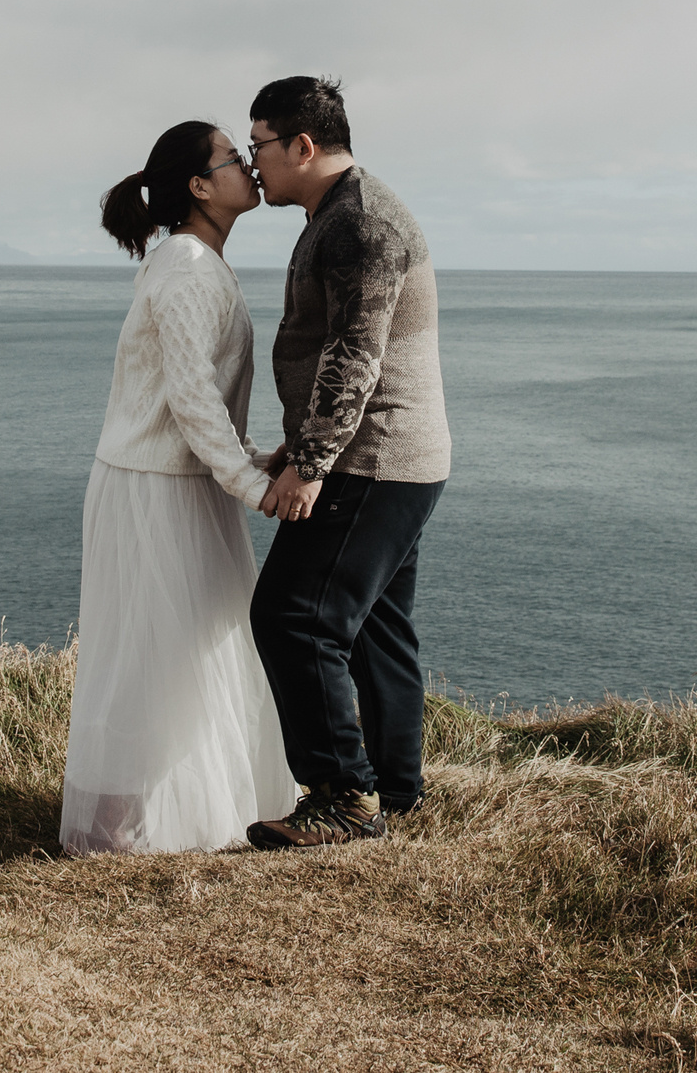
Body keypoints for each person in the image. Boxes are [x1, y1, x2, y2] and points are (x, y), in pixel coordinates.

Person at [59, 121, 295, 855]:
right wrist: (254, 486)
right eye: (234, 159)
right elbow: (190, 400)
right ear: (198, 186)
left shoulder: (191, 261)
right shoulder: (190, 266)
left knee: (186, 652)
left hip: (176, 480)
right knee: (151, 660)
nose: (250, 166)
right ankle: (115, 830)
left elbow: (192, 400)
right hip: (158, 489)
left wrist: (254, 457)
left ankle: (148, 819)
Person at [241, 76, 451, 849]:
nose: (252, 161)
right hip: (398, 457)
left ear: (302, 144)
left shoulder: (358, 224)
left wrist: (312, 463)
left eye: (259, 144)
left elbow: (354, 356)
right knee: (378, 628)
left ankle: (344, 796)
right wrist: (295, 450)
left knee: (296, 616)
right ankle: (395, 789)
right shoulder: (343, 211)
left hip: (373, 459)